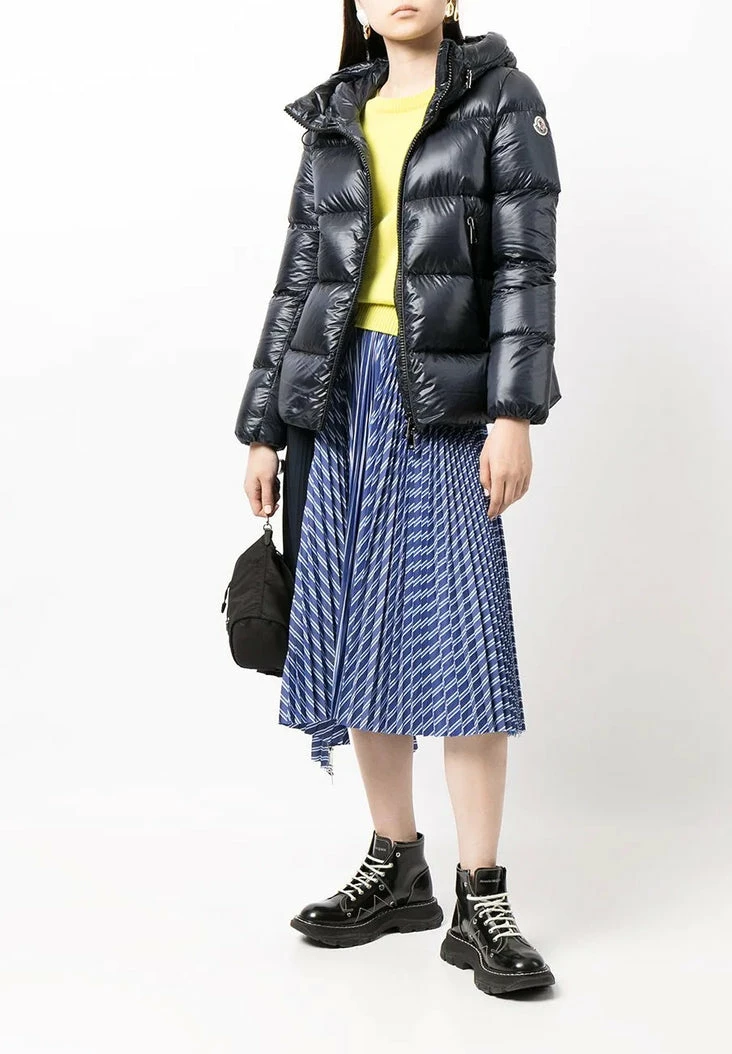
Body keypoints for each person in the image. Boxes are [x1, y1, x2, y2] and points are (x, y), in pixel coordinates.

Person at [234, 1, 561, 996]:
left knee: (465, 643)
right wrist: (262, 425)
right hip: (336, 402)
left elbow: (524, 266)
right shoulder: (335, 114)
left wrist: (514, 413)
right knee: (359, 632)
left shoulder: (502, 98)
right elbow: (298, 279)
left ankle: (482, 893)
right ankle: (397, 865)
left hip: (447, 401)